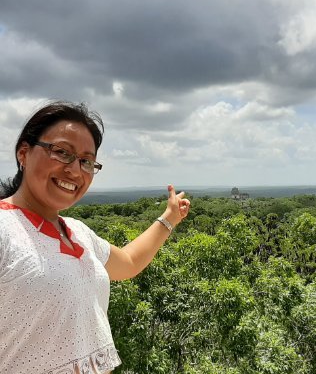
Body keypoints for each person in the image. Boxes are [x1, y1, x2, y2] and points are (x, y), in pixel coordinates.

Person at [0, 100, 190, 374]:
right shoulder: (6, 228)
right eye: (62, 152)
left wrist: (170, 218)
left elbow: (129, 262)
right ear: (24, 153)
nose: (75, 170)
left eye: (86, 161)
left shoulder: (78, 232)